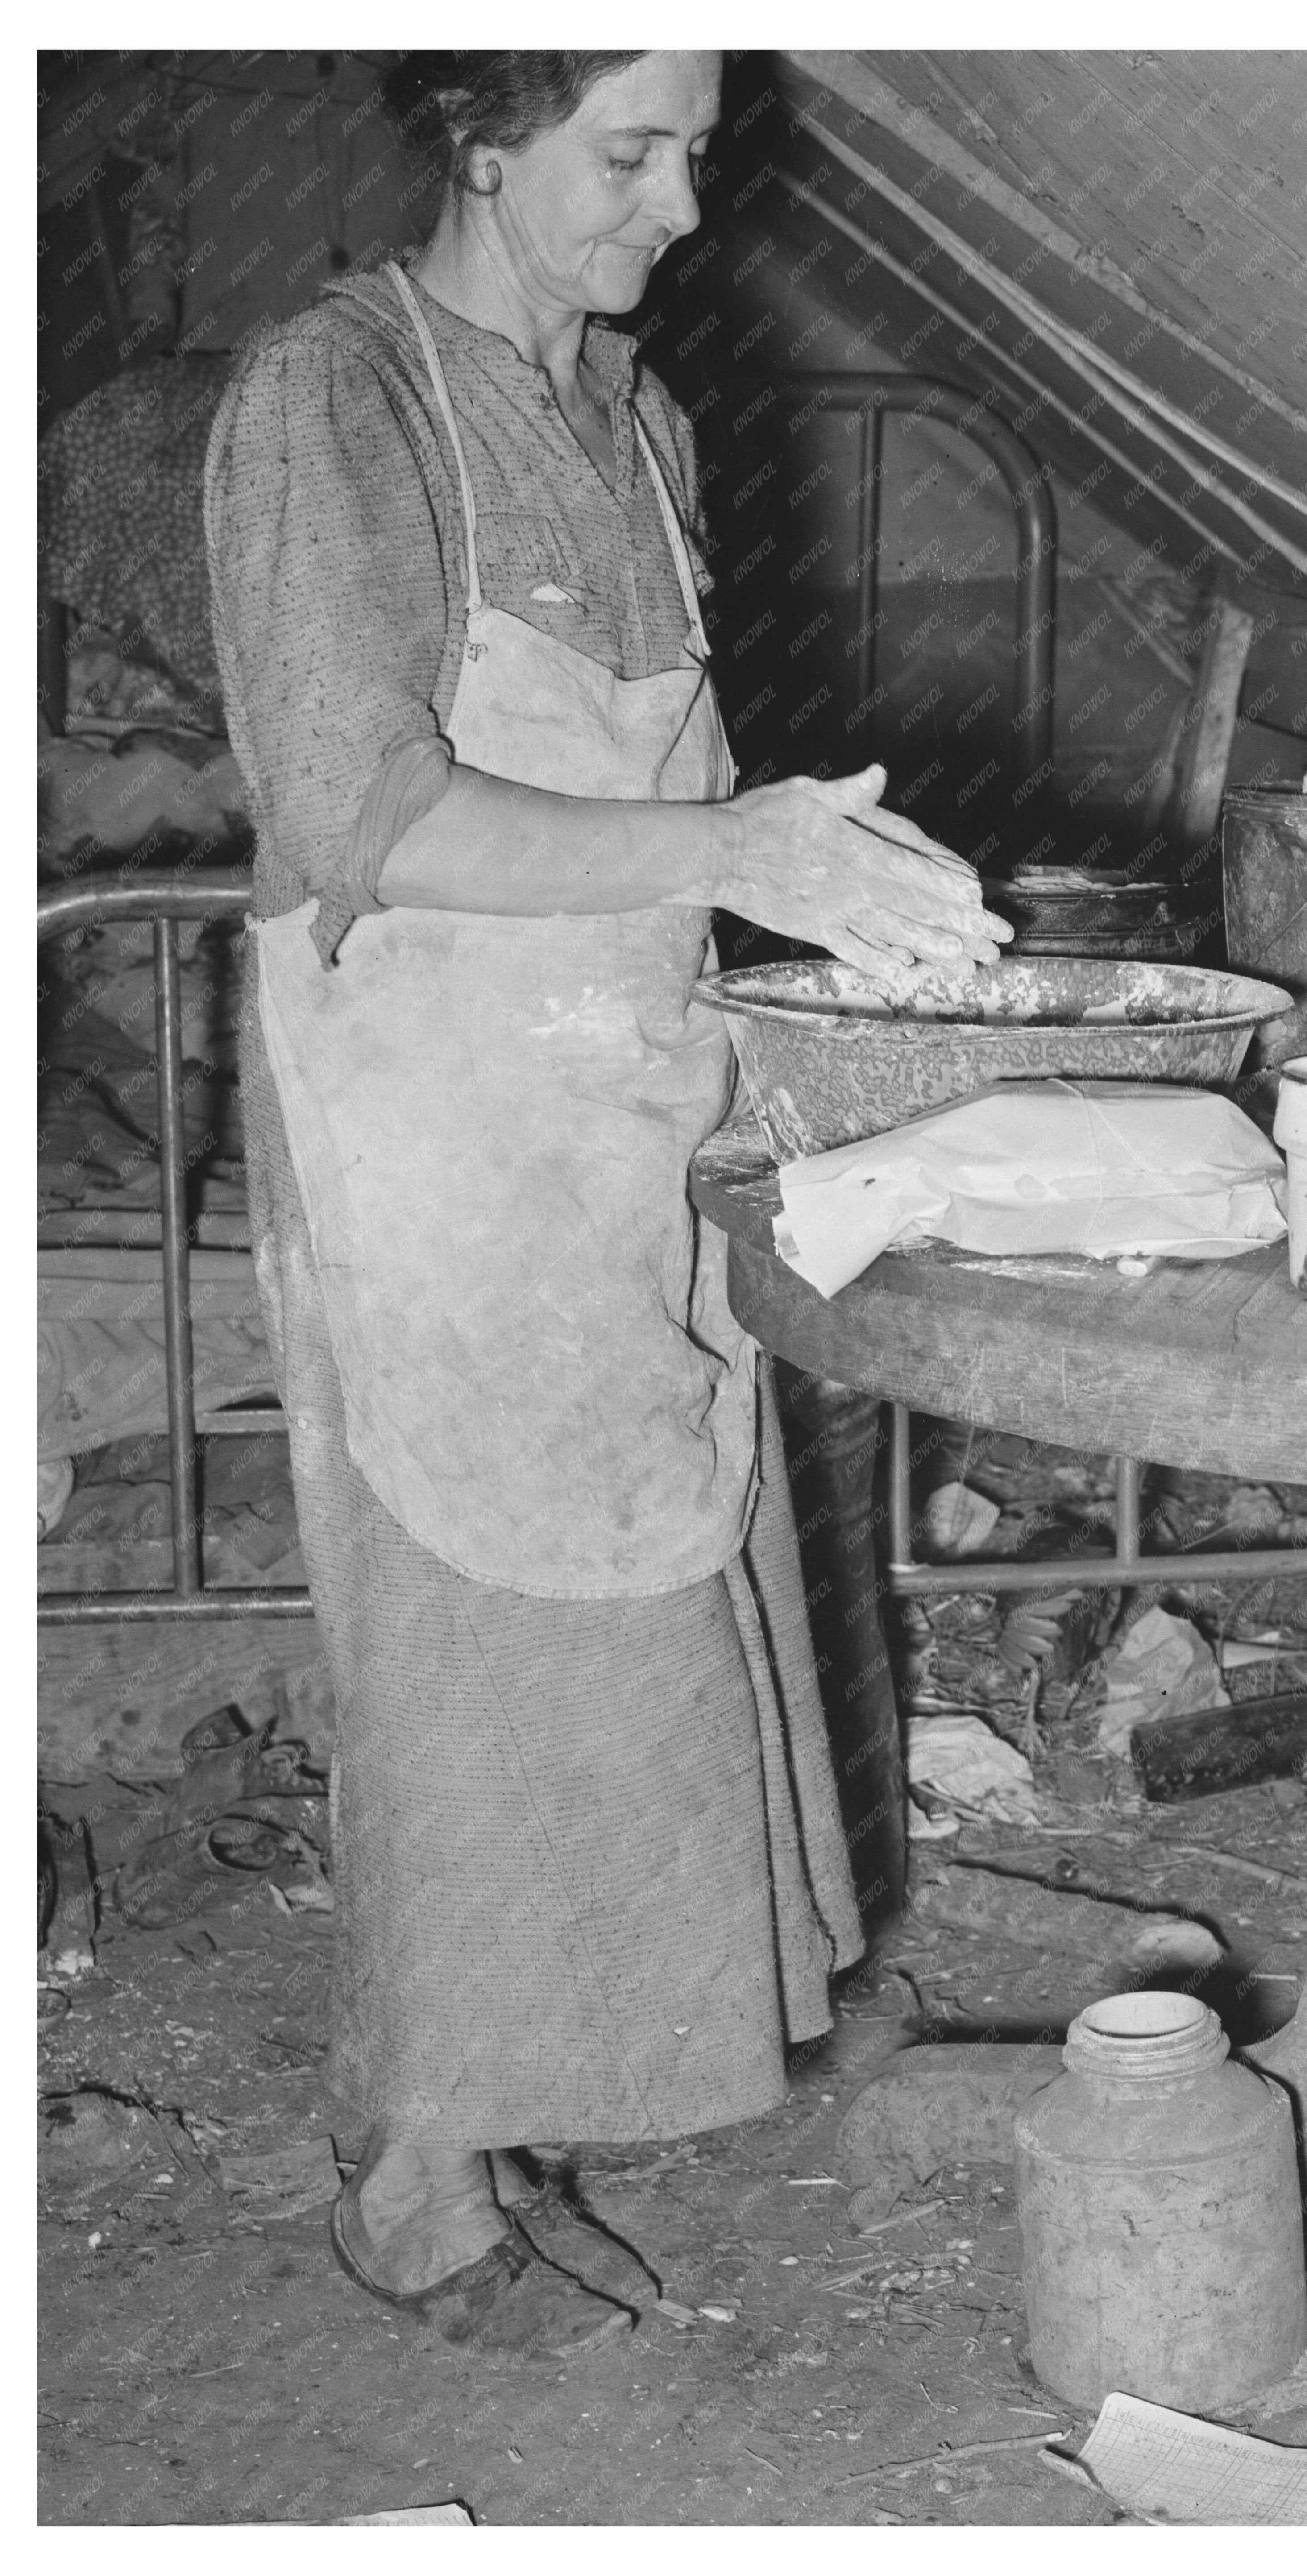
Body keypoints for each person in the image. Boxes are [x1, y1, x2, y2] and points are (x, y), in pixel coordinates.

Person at [204, 49, 1008, 2360]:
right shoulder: (331, 399)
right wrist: (734, 850)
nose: (678, 206)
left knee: (630, 1631)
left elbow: (654, 799)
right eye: (626, 153)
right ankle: (413, 2182)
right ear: (482, 130)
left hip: (610, 1100)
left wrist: (810, 891)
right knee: (460, 1662)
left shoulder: (640, 421)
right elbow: (364, 809)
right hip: (432, 1131)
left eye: (697, 154)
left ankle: (525, 2094)